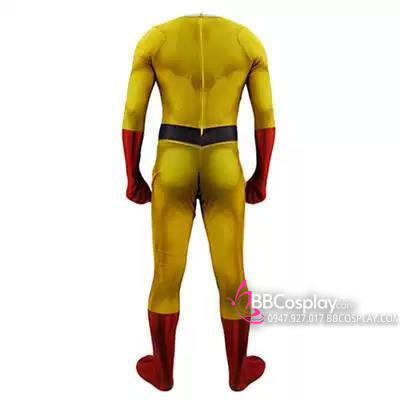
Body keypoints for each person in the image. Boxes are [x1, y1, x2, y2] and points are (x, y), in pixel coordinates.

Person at [122, 14, 275, 391]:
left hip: (173, 157)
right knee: (232, 275)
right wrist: (261, 177)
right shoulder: (246, 40)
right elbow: (265, 115)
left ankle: (162, 372)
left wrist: (132, 175)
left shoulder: (155, 39)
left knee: (165, 275)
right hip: (224, 158)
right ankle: (238, 372)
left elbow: (133, 113)